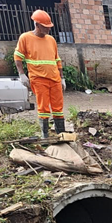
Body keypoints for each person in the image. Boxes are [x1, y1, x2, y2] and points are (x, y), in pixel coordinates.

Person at [15, 10, 65, 140]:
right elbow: (18, 57)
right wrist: (22, 74)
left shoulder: (51, 40)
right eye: (45, 27)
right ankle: (45, 135)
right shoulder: (25, 38)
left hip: (54, 78)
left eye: (49, 27)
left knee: (58, 107)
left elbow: (57, 60)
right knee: (43, 107)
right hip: (38, 78)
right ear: (37, 24)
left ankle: (61, 134)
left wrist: (62, 78)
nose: (48, 30)